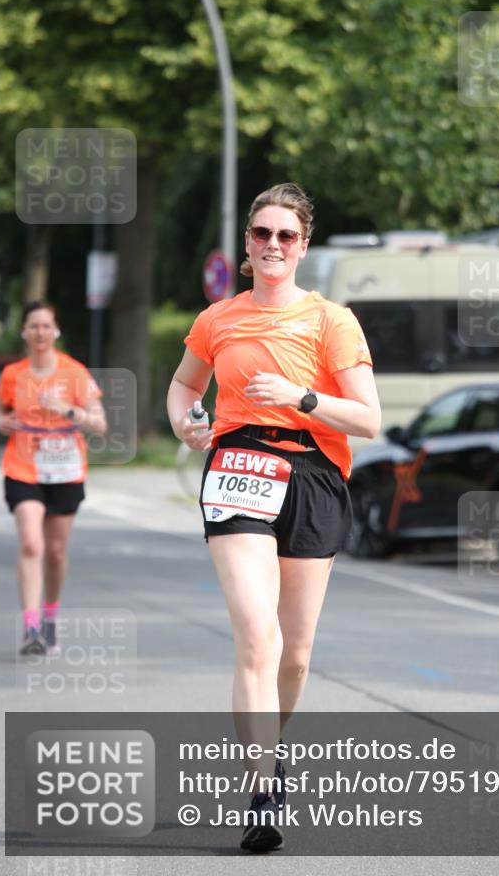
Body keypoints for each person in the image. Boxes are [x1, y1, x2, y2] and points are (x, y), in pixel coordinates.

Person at [167, 183, 381, 853]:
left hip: (313, 473)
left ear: (303, 246)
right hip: (237, 469)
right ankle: (263, 788)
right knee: (256, 636)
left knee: (294, 653)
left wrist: (302, 396)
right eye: (262, 233)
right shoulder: (217, 318)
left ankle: (270, 747)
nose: (271, 245)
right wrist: (187, 424)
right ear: (248, 242)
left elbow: (369, 420)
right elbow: (181, 386)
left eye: (285, 235)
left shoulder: (331, 320)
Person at [0, 301, 107, 656]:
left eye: (46, 326)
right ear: (24, 332)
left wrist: (66, 410)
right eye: (33, 326)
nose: (40, 333)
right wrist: (1, 423)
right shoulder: (13, 374)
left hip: (65, 468)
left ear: (56, 331)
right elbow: (0, 412)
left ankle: (50, 618)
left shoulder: (74, 373)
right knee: (31, 544)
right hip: (23, 466)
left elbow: (100, 424)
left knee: (55, 552)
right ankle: (30, 630)